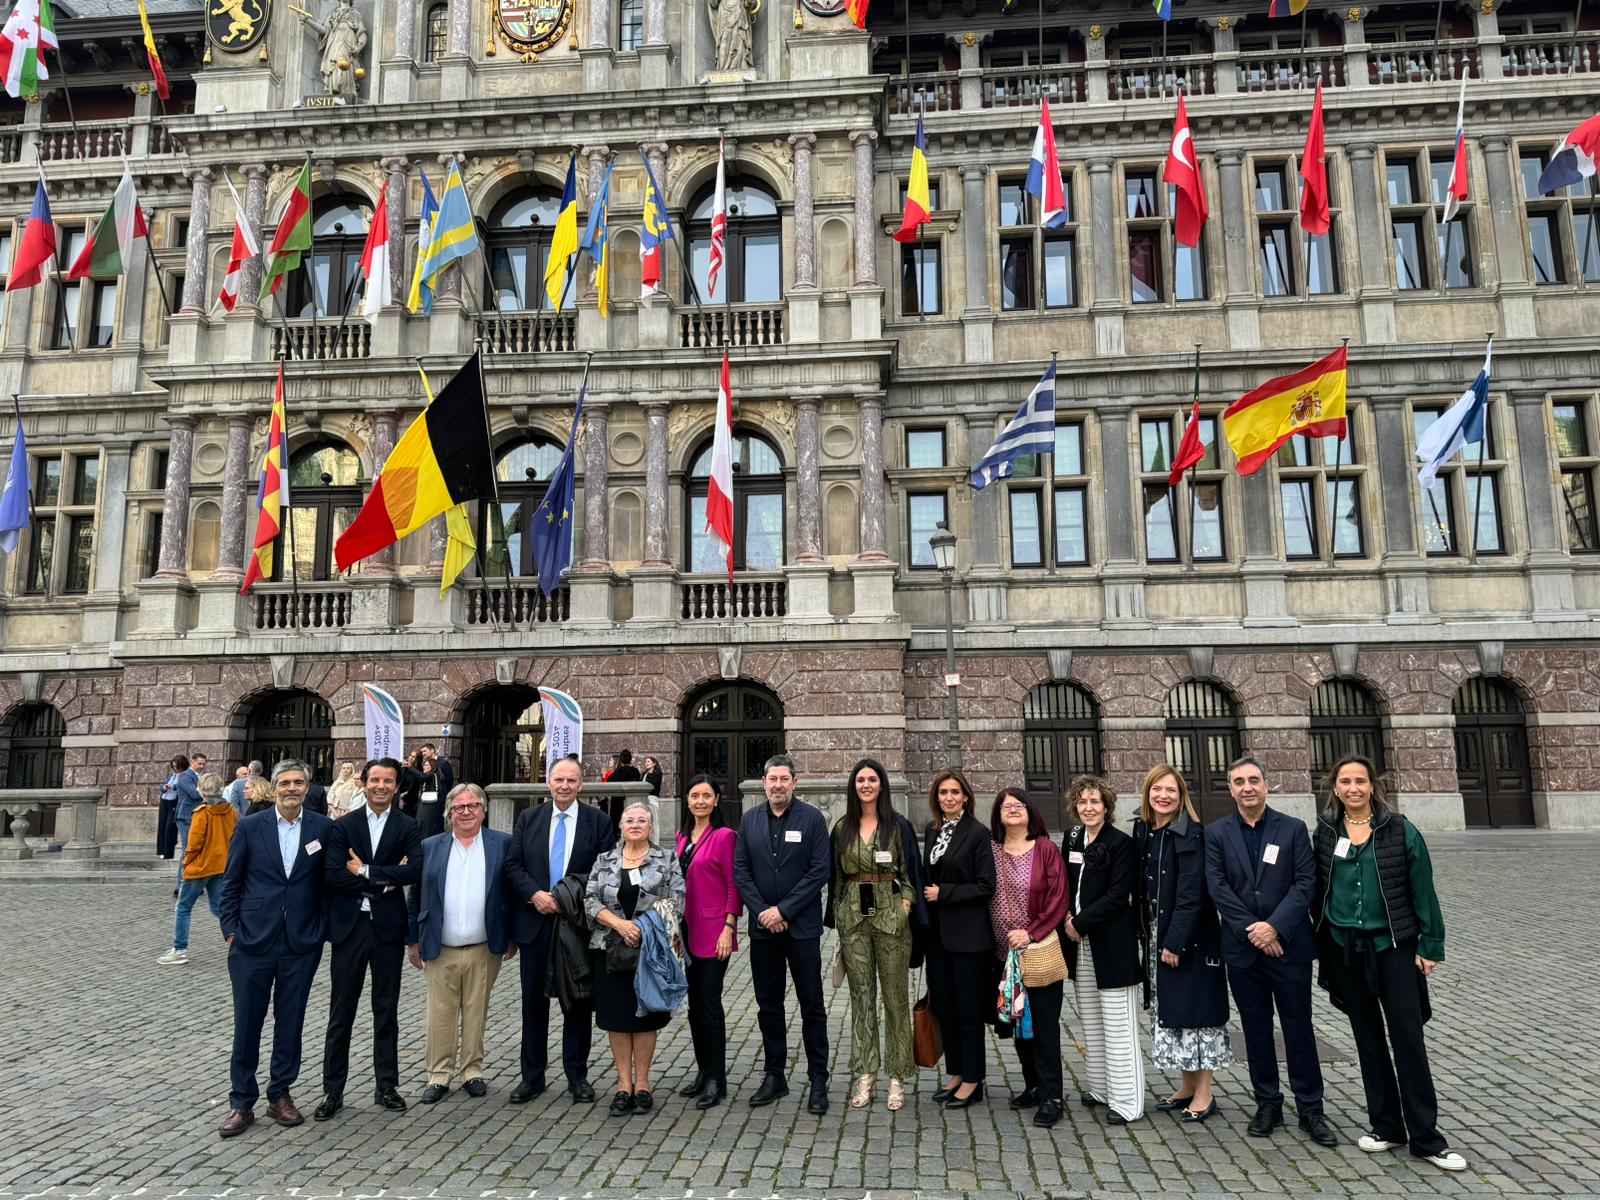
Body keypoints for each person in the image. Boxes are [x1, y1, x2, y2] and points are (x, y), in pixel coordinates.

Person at [1312, 754, 1465, 1172]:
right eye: (1345, 781)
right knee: (1367, 1039)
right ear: (1336, 788)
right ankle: (1386, 1127)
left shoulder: (1400, 830)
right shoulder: (1325, 831)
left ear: (1373, 786)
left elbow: (1422, 888)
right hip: (1345, 946)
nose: (1354, 788)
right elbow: (1317, 887)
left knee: (1408, 1039)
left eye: (1361, 781)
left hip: (1394, 946)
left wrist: (1430, 945)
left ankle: (1427, 1138)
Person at [1204, 754, 1337, 1147]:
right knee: (1256, 1029)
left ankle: (1311, 1108)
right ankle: (1268, 1103)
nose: (1247, 787)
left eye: (1254, 780)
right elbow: (1219, 889)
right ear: (1230, 788)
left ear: (1267, 785)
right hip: (1244, 951)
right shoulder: (1215, 834)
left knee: (1298, 1027)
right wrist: (1254, 930)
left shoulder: (1294, 829)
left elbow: (1304, 884)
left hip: (1289, 948)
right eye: (1239, 781)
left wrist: (1274, 926)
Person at [216, 759, 332, 1138]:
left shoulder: (322, 827)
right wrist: (230, 929)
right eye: (285, 783)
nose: (292, 788)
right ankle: (241, 1101)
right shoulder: (250, 825)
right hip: (252, 940)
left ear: (308, 787)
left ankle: (280, 1093)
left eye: (299, 782)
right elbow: (230, 881)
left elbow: (328, 883)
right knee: (247, 1022)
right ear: (275, 787)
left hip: (301, 942)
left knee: (291, 1020)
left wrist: (320, 929)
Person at [313, 758, 422, 1122]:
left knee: (386, 1010)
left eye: (387, 781)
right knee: (341, 1011)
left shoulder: (408, 825)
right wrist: (385, 880)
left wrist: (365, 870)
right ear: (363, 783)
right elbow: (331, 875)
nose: (380, 786)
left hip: (388, 929)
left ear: (397, 786)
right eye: (374, 779)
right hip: (350, 927)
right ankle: (333, 1090)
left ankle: (386, 1085)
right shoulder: (343, 826)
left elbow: (416, 870)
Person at [504, 756, 614, 1104]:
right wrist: (534, 894)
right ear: (548, 782)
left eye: (571, 780)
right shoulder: (529, 818)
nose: (564, 786)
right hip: (535, 923)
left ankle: (576, 1076)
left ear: (581, 785)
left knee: (577, 1004)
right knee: (533, 1004)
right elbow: (513, 864)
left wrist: (569, 900)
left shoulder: (598, 822)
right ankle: (532, 1076)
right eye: (558, 780)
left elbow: (604, 873)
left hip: (576, 926)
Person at [1131, 764, 1231, 1122]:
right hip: (1158, 934)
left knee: (1198, 1014)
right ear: (1148, 793)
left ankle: (1204, 1094)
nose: (1163, 796)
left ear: (1181, 796)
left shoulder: (1191, 834)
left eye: (1171, 790)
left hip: (1189, 939)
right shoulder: (1145, 830)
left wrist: (1175, 942)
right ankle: (1187, 1085)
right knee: (1173, 1012)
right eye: (1157, 789)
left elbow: (1192, 894)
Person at [732, 754, 831, 1113]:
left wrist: (784, 910)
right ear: (764, 782)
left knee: (812, 1005)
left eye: (784, 779)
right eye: (772, 779)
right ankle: (775, 1075)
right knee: (768, 1005)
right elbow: (741, 871)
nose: (777, 785)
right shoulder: (750, 820)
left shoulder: (812, 819)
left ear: (794, 782)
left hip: (801, 929)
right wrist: (763, 913)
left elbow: (819, 871)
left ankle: (819, 1078)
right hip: (763, 933)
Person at [406, 783, 516, 1103]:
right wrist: (412, 941)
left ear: (483, 811)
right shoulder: (430, 846)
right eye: (459, 808)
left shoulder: (502, 844)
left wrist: (511, 937)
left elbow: (510, 894)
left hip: (485, 946)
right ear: (449, 814)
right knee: (440, 1013)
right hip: (441, 946)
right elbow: (415, 896)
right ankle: (439, 1075)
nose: (466, 812)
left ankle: (472, 1071)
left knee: (476, 1011)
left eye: (473, 806)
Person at [586, 800, 686, 1116]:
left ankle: (643, 1084)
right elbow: (588, 899)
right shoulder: (605, 860)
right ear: (620, 827)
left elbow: (678, 901)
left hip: (650, 950)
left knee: (645, 1017)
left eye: (642, 820)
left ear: (651, 827)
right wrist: (618, 924)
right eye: (630, 820)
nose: (635, 825)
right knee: (617, 1018)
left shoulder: (667, 859)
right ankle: (623, 1084)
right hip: (609, 949)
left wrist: (642, 927)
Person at [828, 758, 916, 1111]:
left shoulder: (898, 826)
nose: (866, 785)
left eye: (872, 779)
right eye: (860, 780)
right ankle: (866, 1072)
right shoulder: (842, 828)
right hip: (854, 919)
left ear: (882, 785)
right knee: (861, 998)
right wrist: (838, 911)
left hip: (891, 917)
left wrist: (905, 906)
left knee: (895, 999)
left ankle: (898, 1074)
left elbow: (911, 874)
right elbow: (835, 876)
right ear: (854, 786)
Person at [1062, 776, 1145, 1124]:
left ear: (1107, 806)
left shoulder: (1120, 843)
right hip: (1081, 947)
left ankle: (1127, 1102)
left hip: (1112, 943)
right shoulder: (1073, 838)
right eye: (1082, 802)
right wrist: (1065, 913)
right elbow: (1067, 882)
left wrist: (1078, 923)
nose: (1088, 808)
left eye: (1095, 801)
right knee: (1092, 1020)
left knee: (1118, 1023)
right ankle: (1100, 1088)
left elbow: (1117, 895)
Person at [988, 787, 1068, 1127]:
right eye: (1006, 806)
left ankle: (1053, 1096)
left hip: (1037, 952)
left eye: (1019, 805)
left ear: (1030, 811)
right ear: (998, 814)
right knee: (1018, 1023)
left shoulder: (1046, 850)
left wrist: (1031, 933)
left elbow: (1059, 898)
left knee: (1044, 1025)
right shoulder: (991, 849)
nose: (1013, 810)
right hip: (1002, 955)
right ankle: (1033, 1085)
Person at [922, 768, 995, 1109]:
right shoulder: (933, 831)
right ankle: (956, 1072)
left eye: (955, 792)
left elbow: (985, 886)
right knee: (946, 1009)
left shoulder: (978, 834)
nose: (948, 798)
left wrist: (944, 893)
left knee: (968, 1011)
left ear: (966, 796)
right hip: (937, 938)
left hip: (968, 938)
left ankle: (973, 1078)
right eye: (943, 793)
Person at [675, 774, 740, 1109]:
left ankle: (717, 1079)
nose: (700, 801)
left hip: (715, 932)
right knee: (695, 1006)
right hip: (685, 933)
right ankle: (703, 1071)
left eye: (706, 796)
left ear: (716, 801)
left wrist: (729, 925)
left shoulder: (725, 836)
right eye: (694, 795)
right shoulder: (682, 837)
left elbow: (733, 885)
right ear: (688, 801)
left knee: (710, 1003)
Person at [158, 771, 237, 965]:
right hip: (221, 866)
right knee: (220, 908)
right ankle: (240, 941)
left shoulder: (202, 813)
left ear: (202, 790)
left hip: (200, 867)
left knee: (183, 908)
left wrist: (187, 864)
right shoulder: (232, 812)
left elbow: (193, 845)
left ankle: (179, 949)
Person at [173, 753, 205, 886]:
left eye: (203, 764)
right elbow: (194, 794)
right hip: (186, 817)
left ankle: (193, 881)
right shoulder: (186, 776)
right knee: (188, 850)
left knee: (197, 849)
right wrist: (209, 792)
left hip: (196, 816)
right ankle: (181, 883)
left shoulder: (200, 776)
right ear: (192, 762)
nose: (202, 766)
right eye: (199, 763)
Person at [157, 759, 182, 860]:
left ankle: (169, 852)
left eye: (176, 766)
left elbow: (180, 787)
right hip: (165, 800)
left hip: (174, 800)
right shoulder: (172, 775)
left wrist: (174, 788)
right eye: (173, 766)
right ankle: (162, 850)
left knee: (169, 826)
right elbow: (162, 789)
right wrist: (165, 788)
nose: (175, 769)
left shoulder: (183, 775)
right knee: (162, 825)